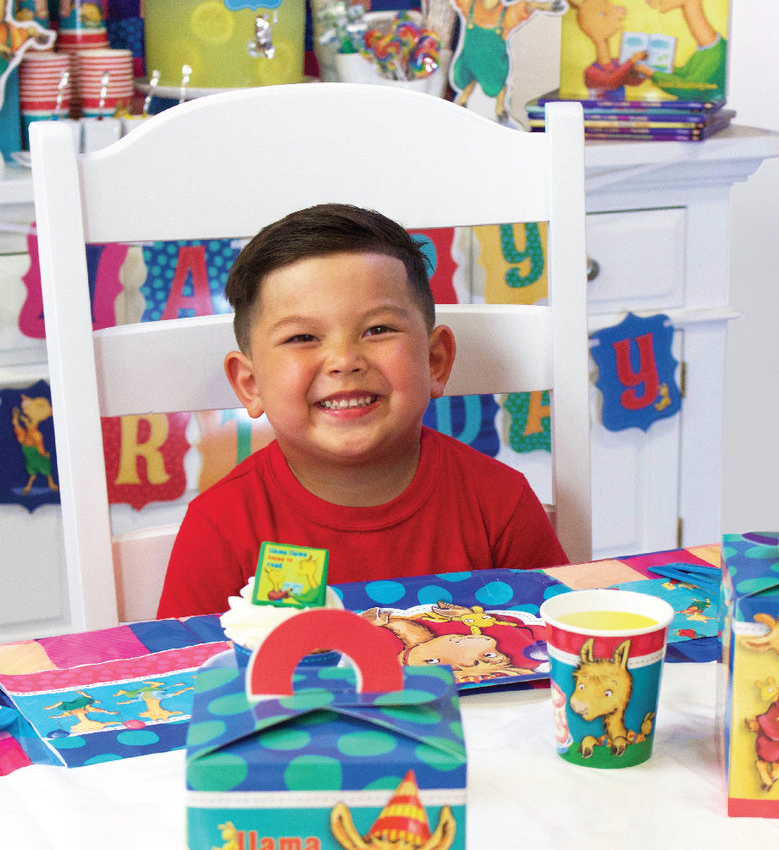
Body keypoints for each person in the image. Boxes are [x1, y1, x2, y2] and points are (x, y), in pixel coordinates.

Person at [157, 204, 568, 618]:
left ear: (435, 361)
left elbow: (557, 644)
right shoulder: (220, 527)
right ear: (250, 384)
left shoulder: (499, 503)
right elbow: (182, 672)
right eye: (302, 337)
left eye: (378, 330)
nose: (344, 360)